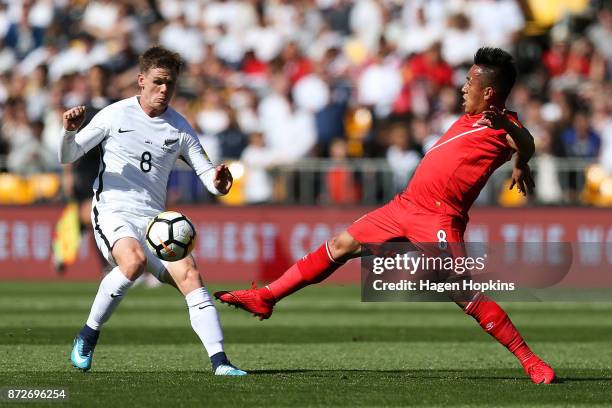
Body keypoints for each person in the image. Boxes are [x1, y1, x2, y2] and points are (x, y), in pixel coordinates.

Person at [215, 47, 555, 384]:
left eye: (469, 82)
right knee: (341, 244)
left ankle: (531, 361)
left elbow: (526, 142)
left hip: (438, 218)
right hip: (404, 206)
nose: (463, 87)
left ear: (489, 91)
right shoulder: (472, 115)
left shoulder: (504, 122)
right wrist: (519, 162)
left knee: (462, 290)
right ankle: (267, 297)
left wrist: (520, 157)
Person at [59, 45, 246, 376]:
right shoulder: (114, 115)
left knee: (191, 275)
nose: (164, 90)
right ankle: (87, 336)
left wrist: (221, 181)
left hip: (154, 220)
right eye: (158, 82)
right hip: (112, 210)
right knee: (134, 262)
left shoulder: (179, 128)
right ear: (141, 81)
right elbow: (68, 156)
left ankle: (221, 363)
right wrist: (68, 132)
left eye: (170, 84)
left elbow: (209, 177)